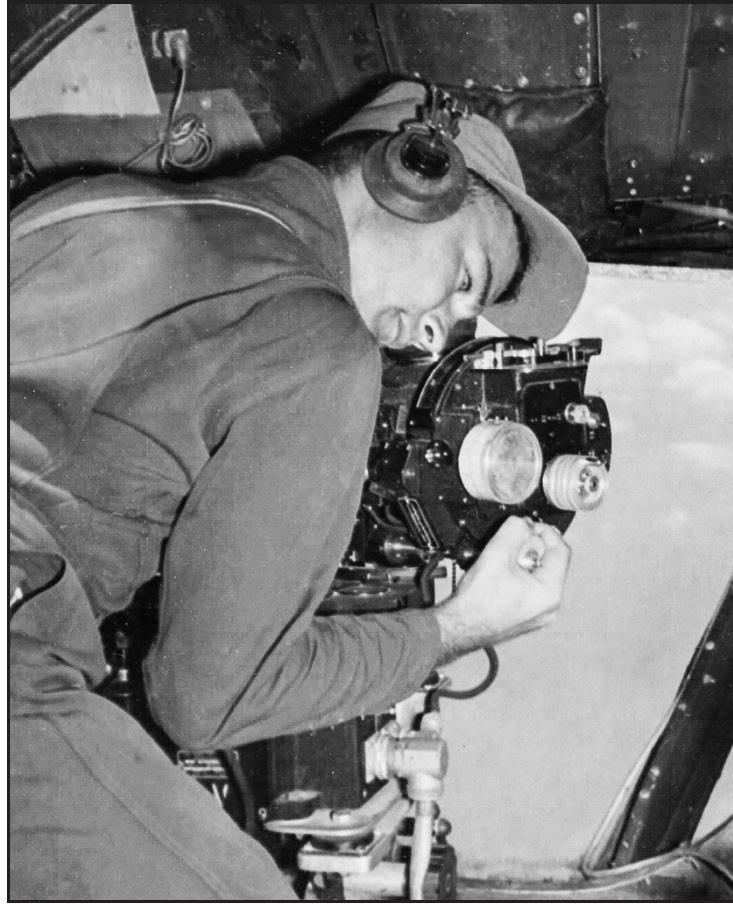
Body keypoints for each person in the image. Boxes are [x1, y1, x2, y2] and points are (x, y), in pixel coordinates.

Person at [10, 80, 587, 899]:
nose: (435, 330)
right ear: (414, 176)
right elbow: (207, 702)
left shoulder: (89, 203)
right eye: (464, 280)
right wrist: (459, 627)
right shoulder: (315, 337)